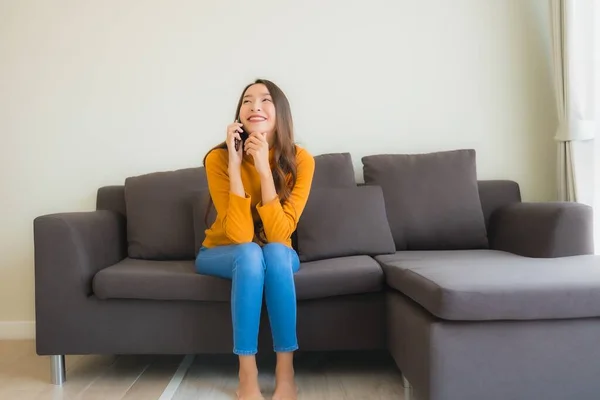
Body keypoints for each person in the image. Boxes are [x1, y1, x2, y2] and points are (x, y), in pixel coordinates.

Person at [195, 79, 315, 400]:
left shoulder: (302, 160)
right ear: (239, 115)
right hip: (223, 251)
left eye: (265, 100)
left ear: (281, 113)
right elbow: (240, 235)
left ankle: (285, 374)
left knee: (274, 253)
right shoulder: (217, 160)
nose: (255, 106)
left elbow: (279, 234)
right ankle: (246, 377)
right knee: (249, 253)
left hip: (276, 252)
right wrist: (236, 165)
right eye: (247, 101)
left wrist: (264, 170)